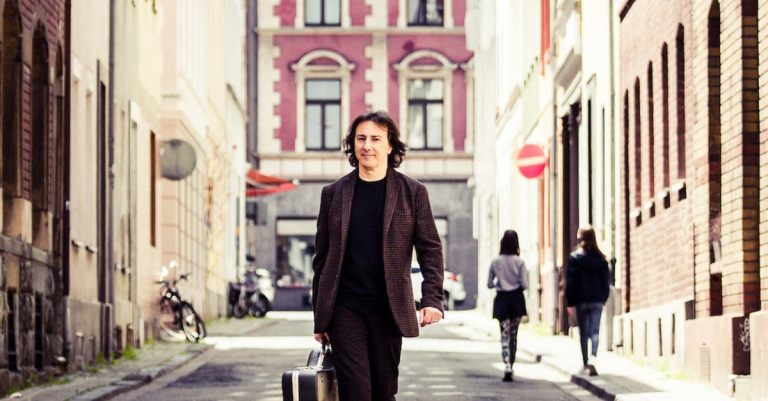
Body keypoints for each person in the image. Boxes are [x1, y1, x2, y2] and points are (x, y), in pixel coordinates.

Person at [312, 110, 444, 401]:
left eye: (375, 139)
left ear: (389, 145)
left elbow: (430, 248)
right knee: (356, 392)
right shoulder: (333, 194)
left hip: (388, 309)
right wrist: (320, 319)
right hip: (345, 308)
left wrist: (432, 298)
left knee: (384, 392)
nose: (367, 146)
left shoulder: (412, 192)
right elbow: (321, 260)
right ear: (352, 144)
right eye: (361, 138)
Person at [565, 226, 610, 374]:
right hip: (597, 300)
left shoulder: (575, 258)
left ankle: (585, 363)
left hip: (581, 300)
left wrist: (570, 302)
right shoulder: (601, 259)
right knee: (595, 331)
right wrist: (603, 299)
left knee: (583, 333)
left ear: (580, 238)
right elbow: (606, 282)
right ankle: (593, 358)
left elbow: (571, 282)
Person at [488, 230, 529, 382]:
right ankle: (512, 363)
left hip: (502, 299)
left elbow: (489, 284)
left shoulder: (495, 261)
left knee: (504, 334)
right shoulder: (520, 262)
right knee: (513, 334)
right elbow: (525, 285)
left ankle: (506, 364)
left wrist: (500, 283)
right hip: (516, 299)